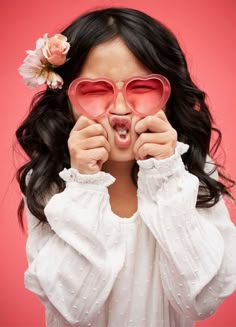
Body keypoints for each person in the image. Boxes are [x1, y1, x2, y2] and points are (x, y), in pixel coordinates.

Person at [15, 6, 236, 327]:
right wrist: (85, 184)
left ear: (168, 95)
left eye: (142, 87)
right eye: (94, 90)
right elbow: (71, 307)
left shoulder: (191, 173)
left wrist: (167, 176)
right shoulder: (51, 182)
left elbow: (200, 301)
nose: (120, 109)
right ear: (65, 98)